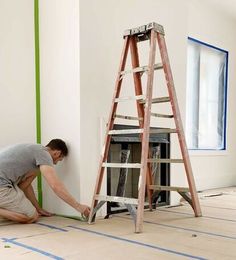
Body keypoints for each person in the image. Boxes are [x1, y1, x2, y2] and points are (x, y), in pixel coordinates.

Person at [0, 139, 90, 224]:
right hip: (2, 185)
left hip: (5, 183)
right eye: (59, 160)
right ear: (57, 153)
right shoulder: (44, 154)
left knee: (19, 212)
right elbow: (56, 186)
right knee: (31, 216)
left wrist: (38, 208)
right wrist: (79, 207)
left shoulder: (34, 151)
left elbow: (25, 187)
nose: (55, 163)